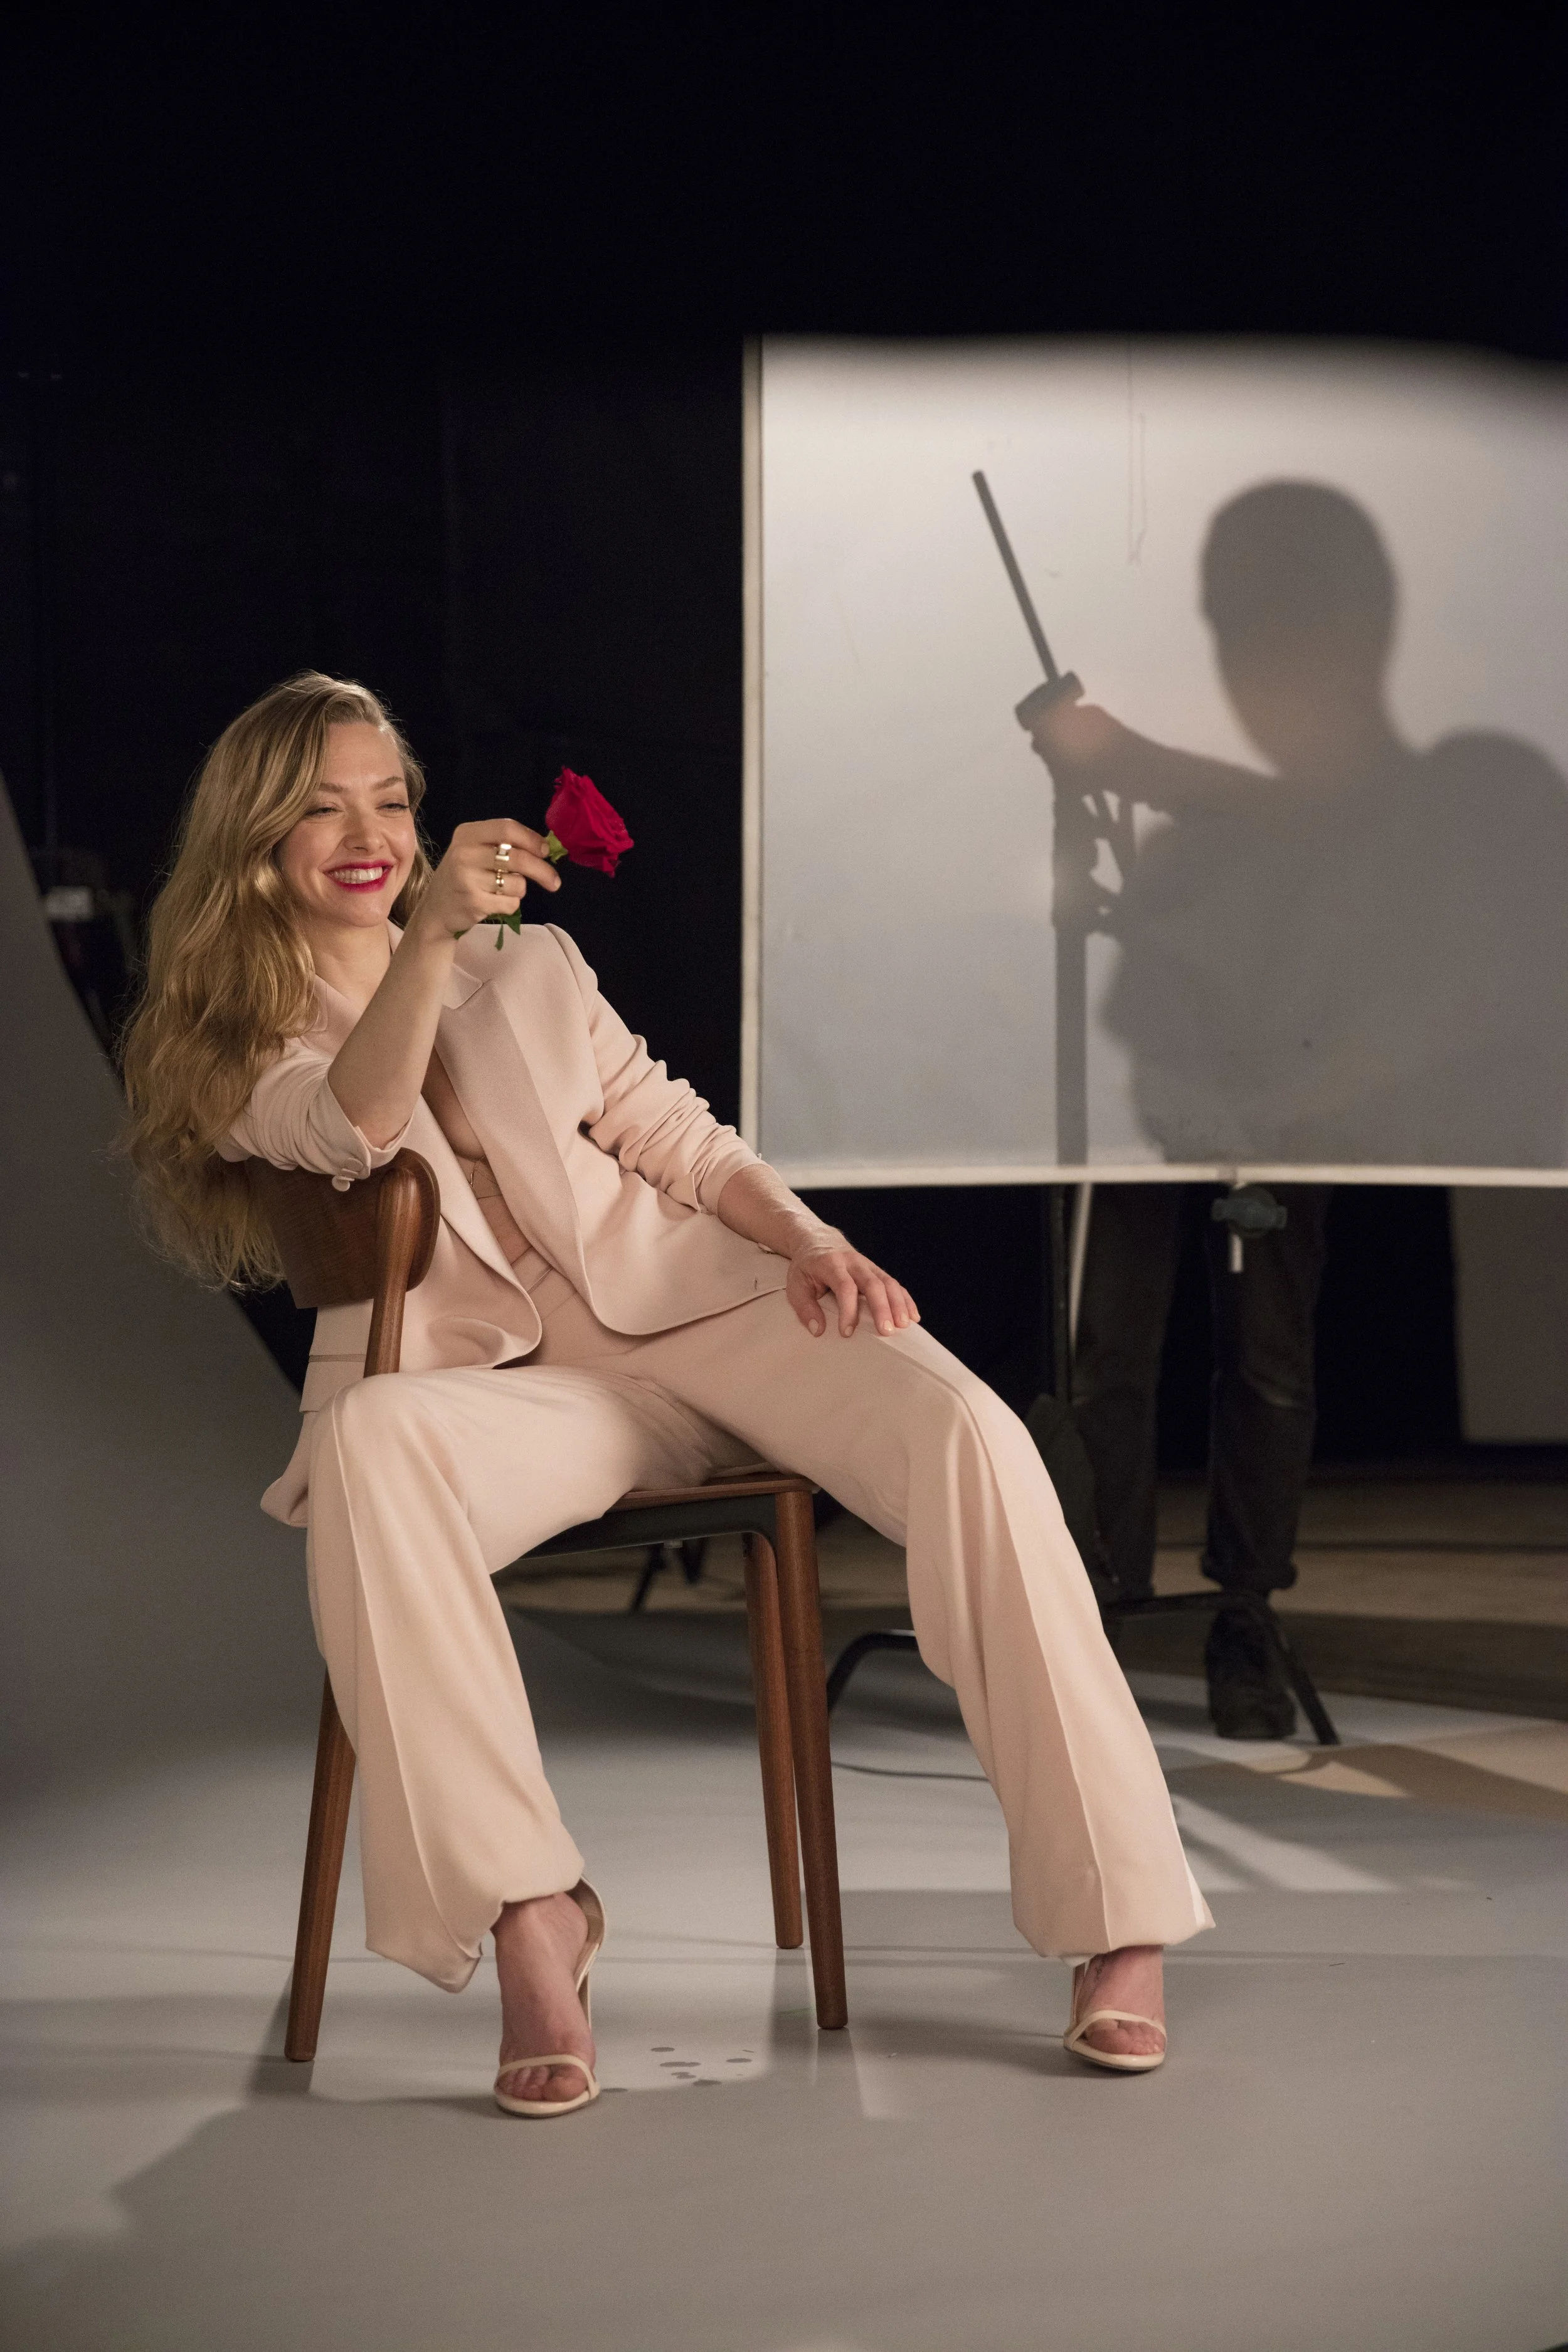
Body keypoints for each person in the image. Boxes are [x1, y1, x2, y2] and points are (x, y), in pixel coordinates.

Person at [123, 671, 1211, 2112]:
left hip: (709, 1310)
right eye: (320, 808)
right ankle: (532, 1915)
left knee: (968, 1433)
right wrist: (432, 939)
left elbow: (675, 1139)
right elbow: (350, 1124)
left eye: (390, 799)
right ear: (257, 838)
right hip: (529, 1395)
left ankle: (1114, 1913)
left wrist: (811, 1242)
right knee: (370, 1448)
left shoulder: (535, 968)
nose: (367, 833)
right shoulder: (236, 1043)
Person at [1026, 482, 1568, 1735]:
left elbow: (1335, 826)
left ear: (1359, 621)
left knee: (1263, 1369)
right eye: (1228, 620)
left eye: (1272, 617)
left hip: (1281, 1123)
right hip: (1154, 1122)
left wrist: (1129, 763)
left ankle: (1243, 1622)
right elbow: (1138, 993)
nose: (1246, 653)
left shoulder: (1458, 777)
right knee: (1107, 1362)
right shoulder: (1190, 837)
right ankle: (1100, 1611)